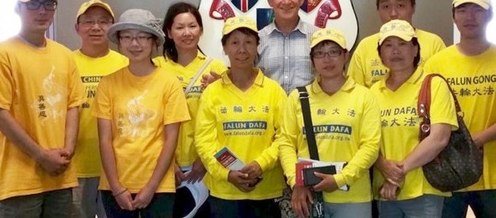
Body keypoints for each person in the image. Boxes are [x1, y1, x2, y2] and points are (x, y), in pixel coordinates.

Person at [0, 0, 86, 217]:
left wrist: (67, 150)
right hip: (20, 180)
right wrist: (40, 155)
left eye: (49, 4)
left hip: (60, 177)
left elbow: (73, 106)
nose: (42, 11)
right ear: (18, 9)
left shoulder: (65, 55)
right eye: (33, 4)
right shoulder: (3, 53)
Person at [92, 9, 190, 218]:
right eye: (127, 37)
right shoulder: (108, 84)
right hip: (115, 185)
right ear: (119, 41)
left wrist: (152, 187)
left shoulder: (169, 83)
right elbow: (105, 140)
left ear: (154, 42)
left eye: (142, 37)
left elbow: (170, 140)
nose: (134, 44)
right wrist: (117, 187)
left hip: (159, 185)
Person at [279, 27, 381, 218]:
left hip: (353, 198)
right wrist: (296, 182)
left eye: (334, 52)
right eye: (320, 53)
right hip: (308, 196)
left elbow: (371, 146)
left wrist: (340, 179)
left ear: (346, 56)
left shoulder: (364, 96)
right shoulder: (297, 97)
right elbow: (285, 143)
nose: (327, 59)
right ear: (312, 60)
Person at [194, 16, 287, 218]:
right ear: (225, 48)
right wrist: (227, 174)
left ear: (257, 47)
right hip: (224, 193)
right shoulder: (212, 93)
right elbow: (204, 140)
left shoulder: (274, 91)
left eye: (248, 42)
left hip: (266, 190)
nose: (242, 49)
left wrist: (260, 164)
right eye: (234, 42)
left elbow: (285, 137)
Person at [371, 19, 458, 218]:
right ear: (380, 53)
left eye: (402, 44)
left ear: (415, 49)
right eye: (388, 45)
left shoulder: (433, 84)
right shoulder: (372, 92)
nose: (395, 51)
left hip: (424, 189)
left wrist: (396, 175)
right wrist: (384, 166)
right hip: (383, 191)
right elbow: (366, 141)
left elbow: (439, 139)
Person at [424, 0, 496, 218]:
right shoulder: (436, 64)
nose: (469, 16)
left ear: (490, 15)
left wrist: (478, 139)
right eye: (462, 10)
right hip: (449, 172)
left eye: (477, 9)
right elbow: (427, 117)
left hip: (493, 176)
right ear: (453, 16)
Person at [153, 1, 227, 218]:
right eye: (179, 27)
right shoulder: (156, 67)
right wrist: (166, 163)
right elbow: (150, 121)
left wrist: (206, 160)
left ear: (201, 30)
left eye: (192, 26)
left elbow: (224, 125)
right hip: (162, 166)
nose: (187, 33)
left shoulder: (217, 70)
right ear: (168, 32)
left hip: (203, 168)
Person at [72, 0, 128, 218]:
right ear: (77, 28)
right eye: (88, 22)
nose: (96, 27)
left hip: (117, 167)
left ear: (112, 28)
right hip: (76, 165)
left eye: (103, 22)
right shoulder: (66, 62)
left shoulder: (125, 63)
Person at [348, 0, 445, 88]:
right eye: (386, 6)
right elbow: (355, 96)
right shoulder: (364, 47)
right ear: (378, 10)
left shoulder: (434, 44)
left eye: (400, 6)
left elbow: (443, 88)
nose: (393, 13)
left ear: (413, 8)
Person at [258, 0, 318, 95]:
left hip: (308, 112)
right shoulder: (257, 40)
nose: (286, 1)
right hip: (269, 112)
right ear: (270, 0)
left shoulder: (317, 37)